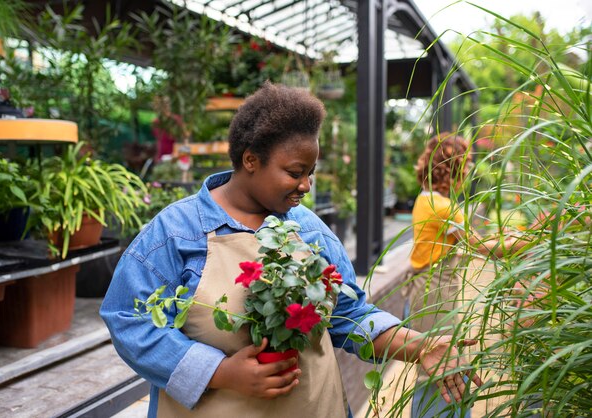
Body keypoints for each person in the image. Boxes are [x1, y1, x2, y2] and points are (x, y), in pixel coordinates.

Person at [100, 83, 482, 418]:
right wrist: (221, 372)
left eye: (310, 172)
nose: (306, 185)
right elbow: (128, 318)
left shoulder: (311, 230)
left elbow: (347, 313)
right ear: (251, 159)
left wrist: (418, 346)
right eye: (295, 172)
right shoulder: (175, 232)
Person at [404, 132, 527, 418]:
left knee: (437, 368)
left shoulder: (426, 199)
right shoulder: (444, 207)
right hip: (435, 292)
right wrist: (531, 241)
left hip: (422, 288)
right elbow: (482, 247)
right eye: (467, 165)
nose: (469, 171)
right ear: (455, 168)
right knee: (442, 372)